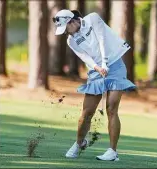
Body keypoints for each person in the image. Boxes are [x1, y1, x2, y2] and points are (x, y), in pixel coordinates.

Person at [53, 9, 136, 161]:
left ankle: (112, 152)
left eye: (66, 28)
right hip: (96, 71)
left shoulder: (93, 18)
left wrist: (104, 62)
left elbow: (101, 38)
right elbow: (84, 56)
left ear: (72, 21)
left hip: (115, 65)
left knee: (111, 109)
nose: (66, 32)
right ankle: (79, 143)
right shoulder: (71, 40)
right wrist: (98, 67)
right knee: (87, 113)